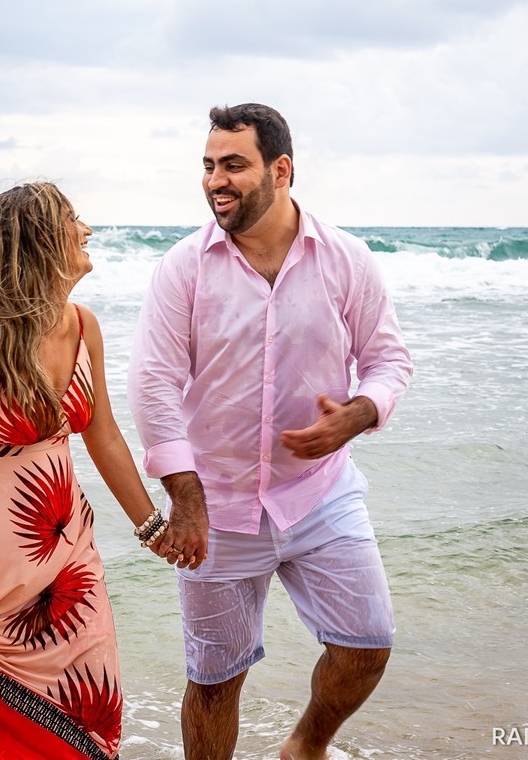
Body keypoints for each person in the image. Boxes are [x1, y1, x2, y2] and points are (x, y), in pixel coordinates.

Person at [127, 104, 413, 760]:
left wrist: (361, 411)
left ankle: (305, 746)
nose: (215, 181)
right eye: (208, 166)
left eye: (234, 165)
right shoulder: (182, 269)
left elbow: (389, 359)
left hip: (318, 492)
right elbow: (154, 383)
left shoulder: (347, 259)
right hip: (217, 508)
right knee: (216, 678)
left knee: (368, 643)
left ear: (280, 170)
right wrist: (187, 497)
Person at [0, 182, 193, 760]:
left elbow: (103, 434)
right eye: (74, 219)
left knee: (86, 707)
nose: (88, 229)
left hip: (68, 556)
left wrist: (153, 526)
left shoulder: (82, 323)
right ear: (44, 240)